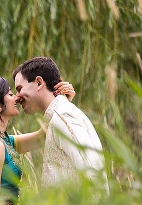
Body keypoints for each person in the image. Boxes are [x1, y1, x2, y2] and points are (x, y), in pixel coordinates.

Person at [0, 75, 75, 205]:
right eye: (10, 94)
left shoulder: (1, 140)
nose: (17, 97)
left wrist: (61, 102)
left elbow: (41, 137)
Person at [12, 57, 107, 191]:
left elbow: (91, 173)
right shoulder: (59, 117)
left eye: (19, 88)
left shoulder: (64, 117)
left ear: (39, 82)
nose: (16, 97)